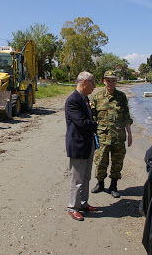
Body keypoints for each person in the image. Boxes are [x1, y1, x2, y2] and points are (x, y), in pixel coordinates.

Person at [90, 70, 133, 198]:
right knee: (100, 161)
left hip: (118, 136)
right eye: (108, 80)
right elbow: (92, 118)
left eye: (113, 80)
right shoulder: (97, 97)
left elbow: (126, 117)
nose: (110, 83)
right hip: (102, 136)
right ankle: (100, 184)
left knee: (117, 162)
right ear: (104, 81)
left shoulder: (121, 97)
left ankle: (113, 186)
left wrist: (130, 134)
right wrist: (92, 135)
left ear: (116, 81)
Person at [65, 71, 98, 221]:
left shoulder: (84, 99)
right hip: (78, 145)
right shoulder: (73, 100)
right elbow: (81, 122)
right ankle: (73, 207)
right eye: (93, 83)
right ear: (84, 82)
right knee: (77, 179)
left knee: (86, 177)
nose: (95, 86)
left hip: (87, 143)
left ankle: (83, 203)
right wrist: (97, 125)